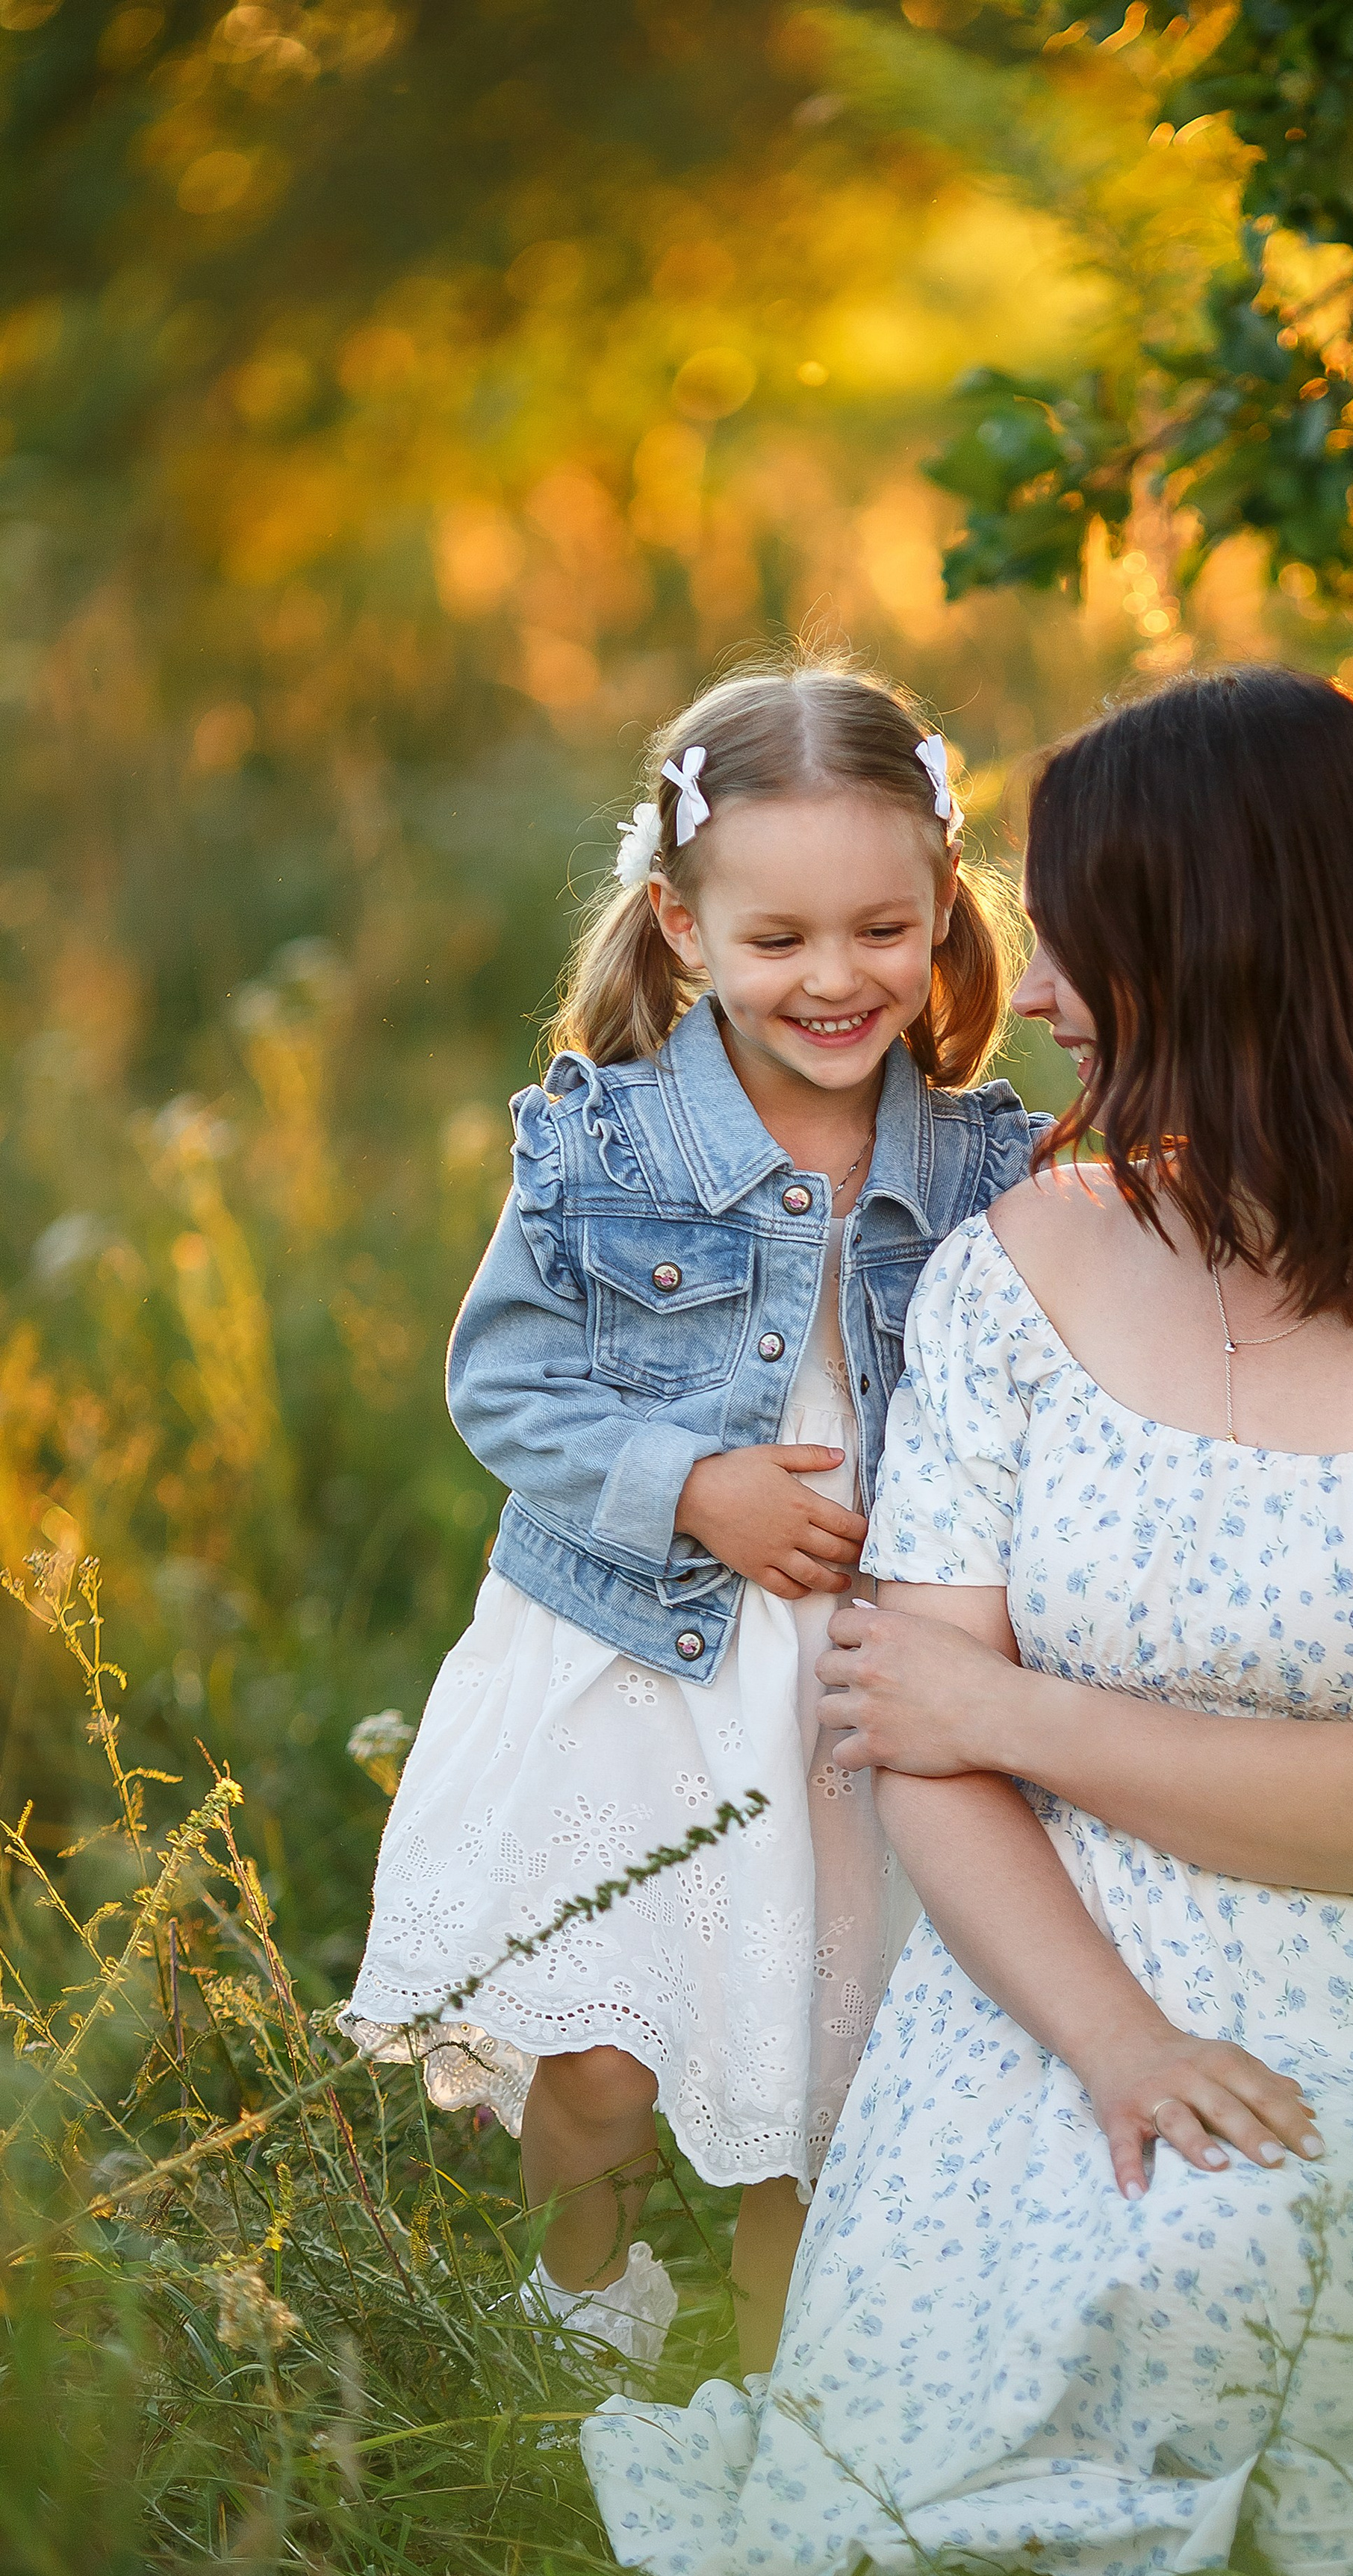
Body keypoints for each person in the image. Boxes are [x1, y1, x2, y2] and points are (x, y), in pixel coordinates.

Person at [579, 664, 1353, 2576]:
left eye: (1075, 942)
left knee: (1255, 2259)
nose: (1025, 999)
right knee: (1130, 2256)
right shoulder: (1025, 1263)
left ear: (1227, 948)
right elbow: (915, 1745)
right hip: (1033, 1965)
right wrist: (1114, 2041)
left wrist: (1019, 1703)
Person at [343, 663, 1042, 2376]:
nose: (833, 979)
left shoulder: (986, 1163)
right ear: (678, 922)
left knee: (829, 2049)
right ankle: (579, 2320)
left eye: (882, 930)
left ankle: (788, 2381)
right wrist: (689, 1489)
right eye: (777, 938)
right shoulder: (605, 1143)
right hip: (639, 1659)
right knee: (600, 2050)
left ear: (942, 909)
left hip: (862, 1680)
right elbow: (503, 1383)